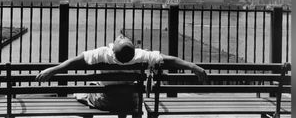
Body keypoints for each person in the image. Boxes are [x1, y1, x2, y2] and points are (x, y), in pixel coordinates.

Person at [35, 33, 207, 118]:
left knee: (83, 92)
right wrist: (193, 67)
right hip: (130, 102)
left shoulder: (103, 54)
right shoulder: (140, 56)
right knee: (127, 91)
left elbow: (75, 61)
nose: (120, 36)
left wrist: (52, 70)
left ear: (113, 49)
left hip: (106, 101)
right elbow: (169, 60)